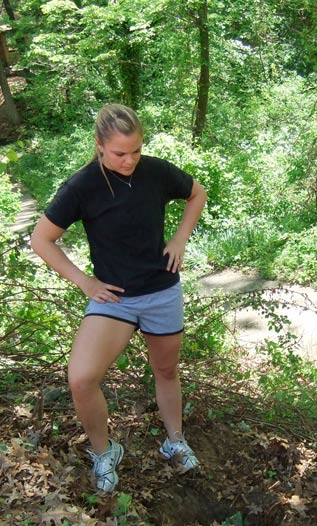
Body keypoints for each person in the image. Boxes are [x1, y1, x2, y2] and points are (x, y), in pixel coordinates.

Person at [31, 103, 207, 494]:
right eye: (119, 153)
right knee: (80, 378)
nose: (130, 161)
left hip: (161, 290)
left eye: (136, 151)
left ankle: (174, 440)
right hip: (115, 300)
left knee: (166, 371)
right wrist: (84, 282)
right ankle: (104, 451)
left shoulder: (157, 171)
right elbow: (41, 239)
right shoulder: (82, 186)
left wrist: (179, 240)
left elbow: (197, 194)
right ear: (99, 146)